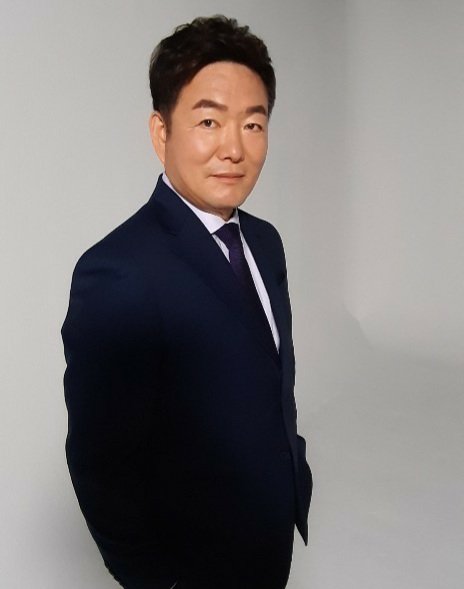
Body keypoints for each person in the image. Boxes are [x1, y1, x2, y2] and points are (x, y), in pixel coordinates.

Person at [62, 15, 312, 589]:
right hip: (192, 568)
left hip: (269, 541)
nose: (234, 148)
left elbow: (271, 382)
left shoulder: (265, 242)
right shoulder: (118, 271)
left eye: (253, 124)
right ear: (161, 133)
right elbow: (100, 464)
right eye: (208, 121)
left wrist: (292, 474)